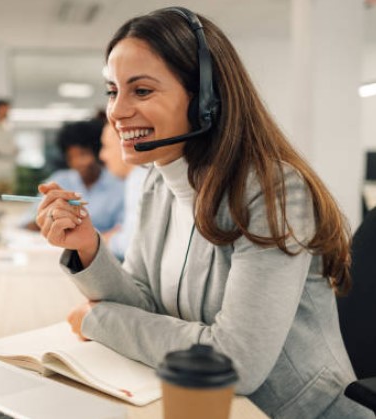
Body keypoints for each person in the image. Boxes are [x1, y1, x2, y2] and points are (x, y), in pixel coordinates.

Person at [33, 7, 373, 419]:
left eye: (140, 91)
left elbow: (234, 363)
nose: (117, 112)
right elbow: (143, 303)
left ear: (206, 100)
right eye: (112, 90)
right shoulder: (159, 183)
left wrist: (98, 320)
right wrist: (88, 249)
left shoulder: (274, 193)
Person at [22, 118, 125, 234]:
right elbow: (27, 222)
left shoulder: (119, 185)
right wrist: (47, 216)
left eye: (83, 154)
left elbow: (124, 231)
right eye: (71, 157)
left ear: (97, 153)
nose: (77, 162)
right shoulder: (59, 180)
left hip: (101, 250)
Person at [98, 122, 149, 260]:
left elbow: (130, 246)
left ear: (127, 145)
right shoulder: (140, 176)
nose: (102, 156)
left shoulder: (139, 177)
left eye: (106, 146)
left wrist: (103, 240)